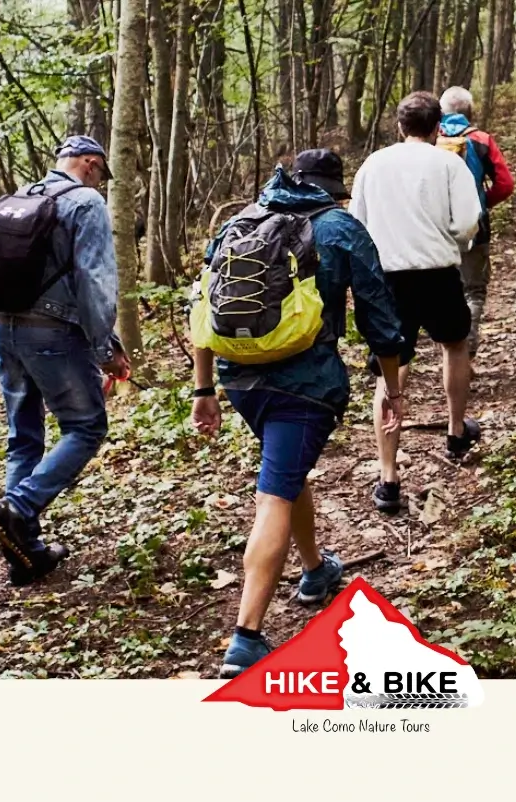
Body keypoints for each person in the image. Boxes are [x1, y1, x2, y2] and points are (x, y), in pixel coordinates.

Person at [191, 150, 405, 678]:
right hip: (305, 387)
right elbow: (379, 317)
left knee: (285, 472)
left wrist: (203, 389)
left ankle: (313, 570)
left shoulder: (241, 222)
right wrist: (393, 387)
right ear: (335, 188)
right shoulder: (340, 227)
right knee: (275, 493)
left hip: (240, 379)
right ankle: (245, 637)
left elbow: (201, 306)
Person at [0, 135, 128, 587]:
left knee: (23, 435)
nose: (100, 181)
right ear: (89, 162)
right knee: (85, 427)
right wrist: (106, 350)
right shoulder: (85, 202)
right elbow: (95, 283)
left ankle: (25, 554)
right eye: (100, 171)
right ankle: (18, 509)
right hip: (53, 332)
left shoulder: (19, 199)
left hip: (5, 328)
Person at [349, 91, 482, 515]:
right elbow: (467, 223)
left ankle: (388, 476)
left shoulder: (372, 165)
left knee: (391, 366)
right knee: (454, 345)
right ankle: (456, 429)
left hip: (387, 280)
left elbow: (357, 224)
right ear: (437, 127)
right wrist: (450, 240)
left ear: (400, 127)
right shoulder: (449, 163)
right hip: (438, 273)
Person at [438, 86, 515, 357]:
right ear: (469, 112)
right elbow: (505, 184)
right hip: (474, 225)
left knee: (443, 289)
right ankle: (466, 349)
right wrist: (483, 203)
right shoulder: (481, 139)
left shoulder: (428, 141)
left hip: (435, 228)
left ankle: (449, 348)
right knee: (474, 291)